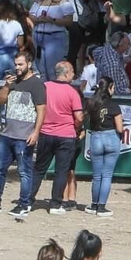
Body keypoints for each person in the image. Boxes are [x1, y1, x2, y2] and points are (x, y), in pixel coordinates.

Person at [0, 50, 46, 218]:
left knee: (24, 172)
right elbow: (0, 101)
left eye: (20, 64)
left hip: (24, 136)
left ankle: (24, 204)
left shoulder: (37, 84)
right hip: (8, 134)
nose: (17, 68)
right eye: (16, 64)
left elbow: (41, 110)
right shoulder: (12, 82)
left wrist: (36, 132)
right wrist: (6, 86)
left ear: (29, 64)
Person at [33, 61, 84, 214]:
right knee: (61, 171)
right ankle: (55, 204)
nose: (74, 75)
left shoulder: (44, 87)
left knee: (39, 169)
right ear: (66, 73)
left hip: (45, 133)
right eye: (73, 71)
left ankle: (27, 200)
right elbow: (79, 116)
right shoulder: (72, 92)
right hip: (66, 135)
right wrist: (77, 127)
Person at [82, 81, 128, 216]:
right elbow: (119, 128)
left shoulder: (91, 103)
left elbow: (84, 120)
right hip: (111, 138)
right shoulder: (114, 105)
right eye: (113, 87)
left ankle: (94, 205)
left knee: (96, 176)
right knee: (107, 175)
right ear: (109, 88)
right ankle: (102, 207)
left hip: (96, 137)